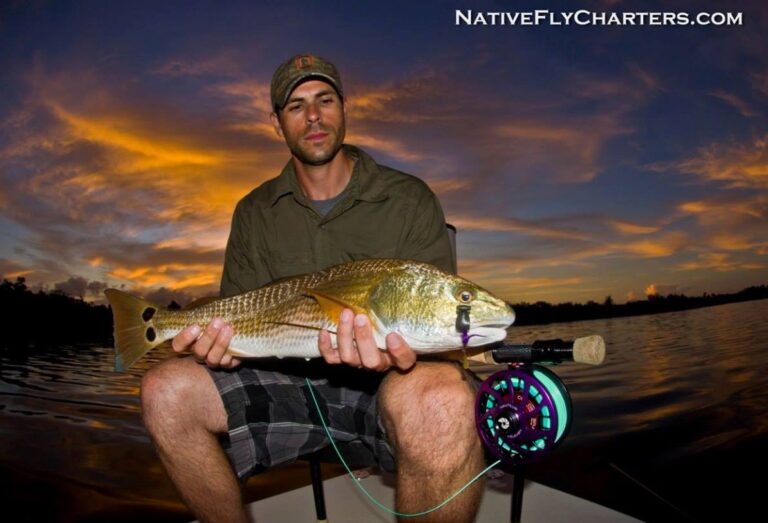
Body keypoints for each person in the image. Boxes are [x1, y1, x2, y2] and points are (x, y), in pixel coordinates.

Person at [140, 54, 485, 523]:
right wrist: (217, 346)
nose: (314, 117)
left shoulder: (409, 198)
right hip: (287, 383)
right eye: (296, 106)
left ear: (344, 107)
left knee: (445, 398)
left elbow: (442, 330)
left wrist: (411, 353)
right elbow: (237, 319)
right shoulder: (254, 212)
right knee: (163, 389)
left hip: (389, 384)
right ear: (277, 123)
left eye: (324, 100)